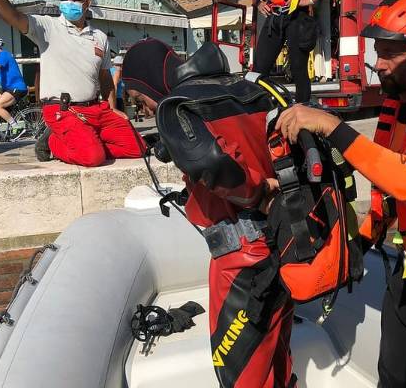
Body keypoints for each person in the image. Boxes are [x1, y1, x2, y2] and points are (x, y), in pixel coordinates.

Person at [275, 0, 406, 387]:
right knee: (392, 373)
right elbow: (388, 186)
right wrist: (362, 239)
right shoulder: (401, 103)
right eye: (377, 52)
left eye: (391, 54)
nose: (378, 65)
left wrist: (330, 124)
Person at [121, 39, 294, 388]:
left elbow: (212, 161)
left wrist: (255, 195)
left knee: (240, 371)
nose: (145, 108)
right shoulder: (244, 89)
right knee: (277, 356)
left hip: (242, 261)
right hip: (284, 243)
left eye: (141, 99)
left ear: (153, 83)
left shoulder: (178, 107)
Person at [0, 0, 144, 167]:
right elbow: (13, 16)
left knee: (138, 147)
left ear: (87, 2)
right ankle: (52, 142)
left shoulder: (99, 37)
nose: (69, 1)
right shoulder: (47, 27)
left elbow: (104, 77)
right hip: (63, 110)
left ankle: (86, 141)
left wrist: (112, 107)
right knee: (93, 158)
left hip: (96, 109)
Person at [252, 0, 344, 103]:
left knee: (298, 69)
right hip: (274, 15)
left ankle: (303, 109)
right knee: (258, 70)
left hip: (298, 16)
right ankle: (258, 110)